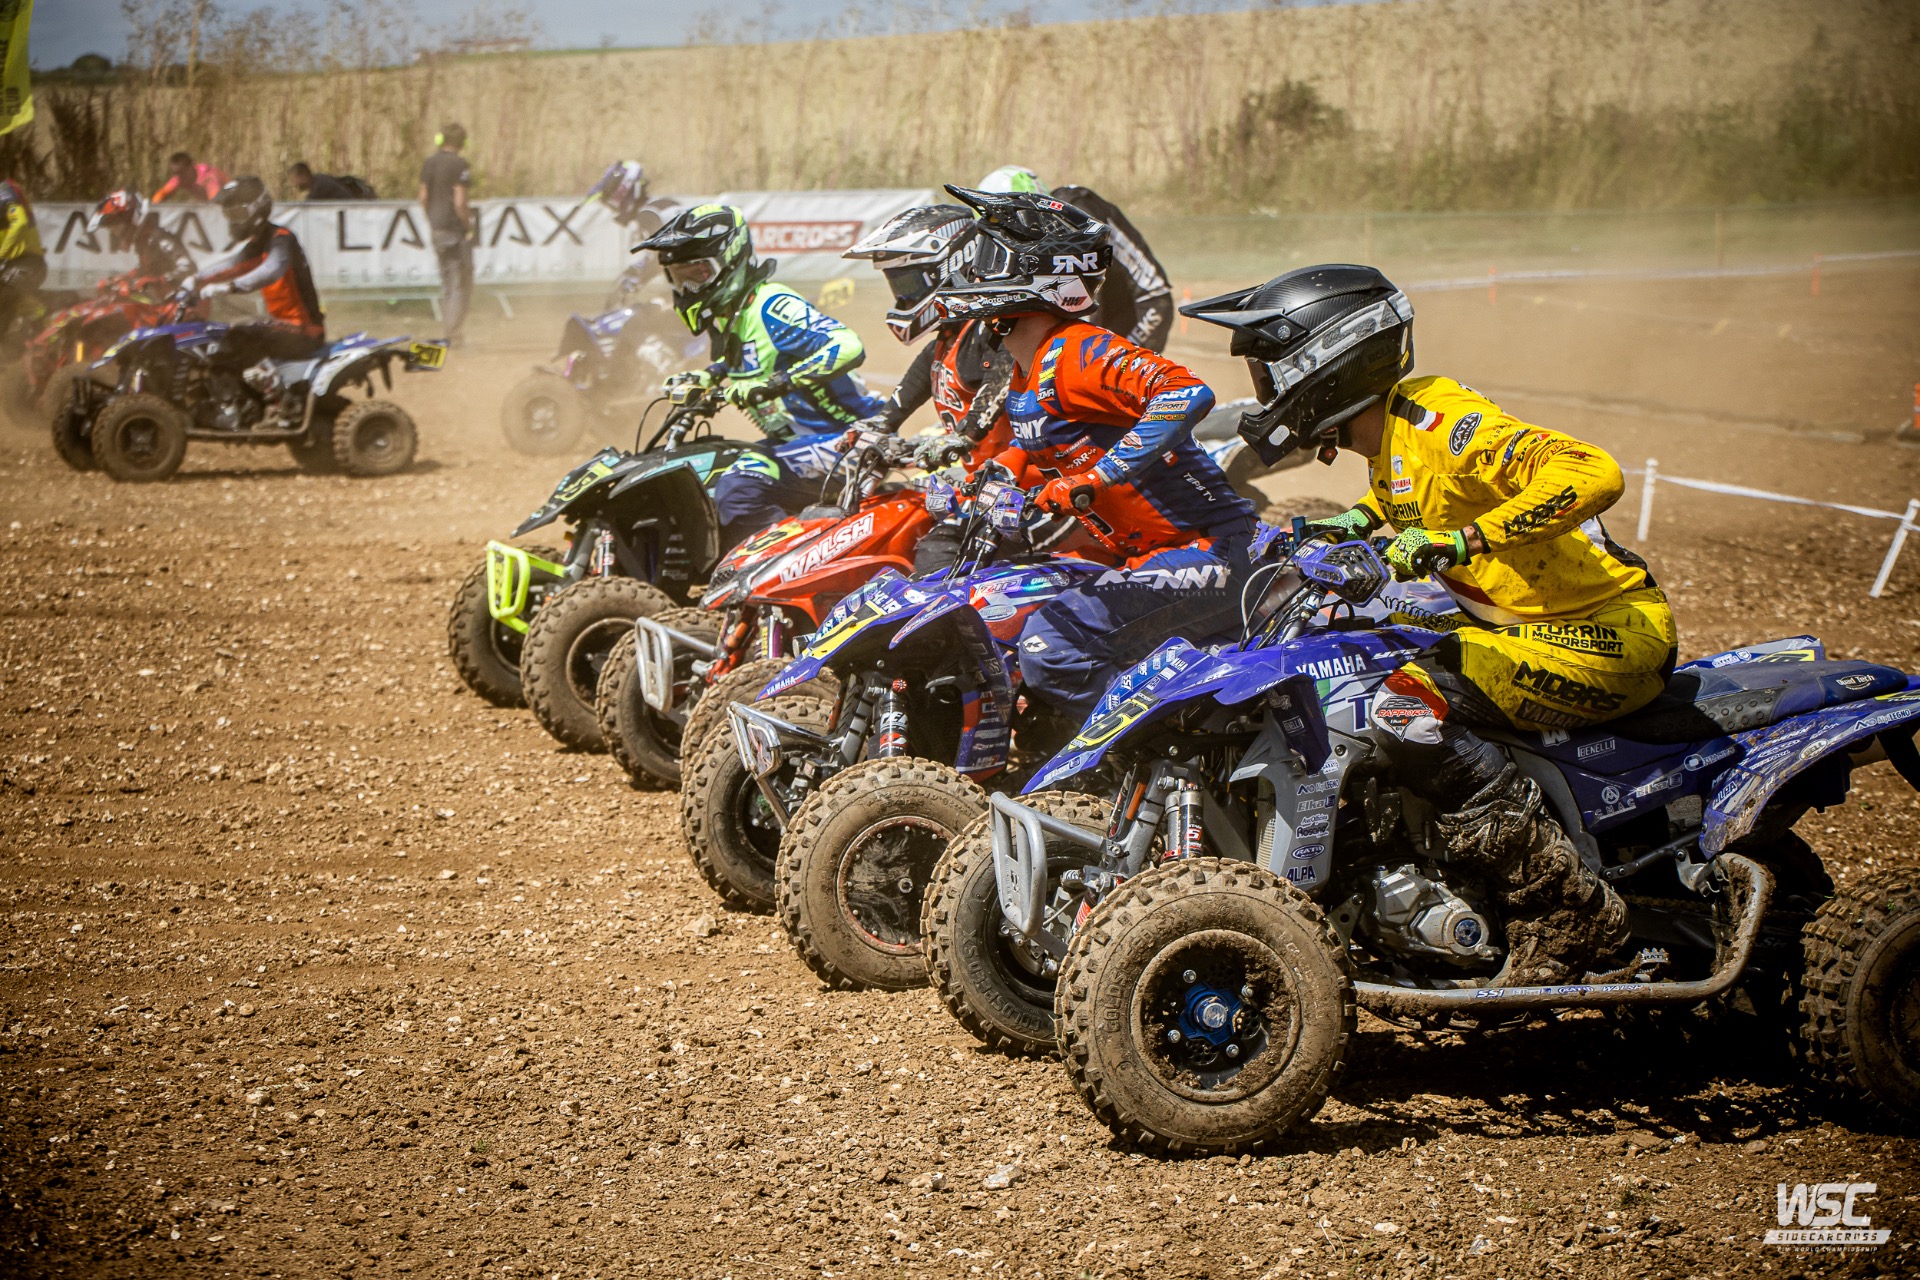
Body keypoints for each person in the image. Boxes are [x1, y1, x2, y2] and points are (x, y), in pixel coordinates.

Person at [1186, 263, 1674, 987]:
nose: (1264, 393)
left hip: (1610, 633)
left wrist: (1463, 542)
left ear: (1325, 362)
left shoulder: (1439, 418)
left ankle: (1564, 908)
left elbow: (1592, 471)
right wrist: (1349, 524)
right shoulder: (1386, 441)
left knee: (1404, 707)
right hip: (1525, 633)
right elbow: (1412, 501)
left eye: (1269, 375)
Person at [914, 184, 1255, 735]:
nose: (967, 274)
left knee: (1053, 646)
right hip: (1144, 557)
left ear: (1033, 273)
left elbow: (1186, 392)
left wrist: (1098, 477)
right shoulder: (1029, 365)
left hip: (1210, 550)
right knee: (1013, 610)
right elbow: (1049, 439)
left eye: (985, 260)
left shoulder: (1081, 349)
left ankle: (1153, 755)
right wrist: (996, 473)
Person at [637, 203, 884, 550]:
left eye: (698, 274)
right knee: (710, 476)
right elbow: (752, 356)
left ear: (728, 261)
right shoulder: (736, 316)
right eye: (680, 278)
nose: (689, 288)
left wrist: (778, 384)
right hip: (804, 442)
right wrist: (708, 377)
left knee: (738, 490)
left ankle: (791, 565)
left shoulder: (771, 305)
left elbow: (847, 345)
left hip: (851, 437)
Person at [977, 165, 1173, 353]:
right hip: (1113, 310)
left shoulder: (1076, 217)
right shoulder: (1049, 220)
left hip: (1147, 306)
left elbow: (1086, 298)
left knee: (1092, 367)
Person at [190, 176, 327, 379]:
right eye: (229, 215)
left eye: (238, 213)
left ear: (257, 209)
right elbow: (230, 266)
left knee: (236, 339)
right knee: (222, 336)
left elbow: (271, 270)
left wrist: (230, 287)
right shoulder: (258, 243)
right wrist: (193, 278)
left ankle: (272, 392)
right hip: (284, 327)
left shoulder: (282, 238)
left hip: (304, 330)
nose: (233, 221)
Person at [419, 123, 473, 346]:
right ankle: (454, 334)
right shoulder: (460, 164)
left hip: (437, 229)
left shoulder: (429, 163)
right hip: (454, 230)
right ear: (463, 143)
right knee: (460, 283)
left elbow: (423, 196)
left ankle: (450, 331)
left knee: (447, 283)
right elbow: (460, 201)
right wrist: (467, 225)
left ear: (440, 140)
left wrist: (432, 219)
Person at [86, 189, 197, 289]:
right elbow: (149, 269)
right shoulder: (143, 242)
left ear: (130, 218)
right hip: (158, 300)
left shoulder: (160, 239)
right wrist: (128, 277)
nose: (115, 233)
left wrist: (161, 280)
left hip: (179, 299)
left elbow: (189, 267)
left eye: (116, 227)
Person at [0, 178, 46, 339]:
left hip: (28, 262)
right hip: (10, 265)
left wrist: (1, 254)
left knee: (3, 292)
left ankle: (42, 312)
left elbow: (20, 222)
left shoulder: (4, 191)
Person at [152, 152, 229, 204]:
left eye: (181, 172)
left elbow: (215, 203)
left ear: (191, 167)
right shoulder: (179, 177)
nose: (178, 177)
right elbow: (162, 193)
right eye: (175, 173)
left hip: (231, 201)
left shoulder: (208, 177)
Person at [288, 163, 377, 200]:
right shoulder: (319, 179)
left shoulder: (320, 186)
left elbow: (307, 208)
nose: (293, 183)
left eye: (294, 179)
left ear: (303, 175)